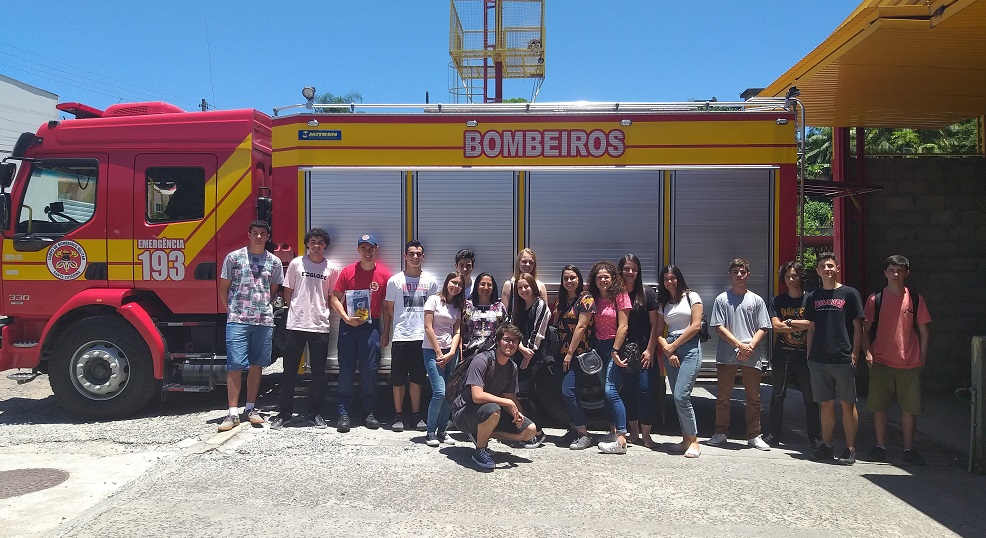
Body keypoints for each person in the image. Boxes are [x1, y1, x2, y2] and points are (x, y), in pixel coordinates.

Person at [862, 255, 931, 465]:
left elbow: (924, 332)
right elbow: (864, 330)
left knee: (910, 408)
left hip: (909, 362)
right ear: (885, 273)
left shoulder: (915, 299)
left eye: (900, 271)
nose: (895, 275)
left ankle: (909, 449)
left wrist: (922, 358)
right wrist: (867, 352)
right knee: (879, 406)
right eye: (891, 270)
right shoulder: (875, 299)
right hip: (881, 361)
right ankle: (880, 446)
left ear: (906, 273)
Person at [217, 219, 284, 432]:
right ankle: (232, 413)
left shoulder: (274, 262)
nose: (258, 236)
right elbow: (223, 288)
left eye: (262, 233)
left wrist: (260, 308)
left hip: (263, 320)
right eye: (254, 232)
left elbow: (272, 291)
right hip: (237, 320)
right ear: (248, 234)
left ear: (267, 237)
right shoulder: (234, 258)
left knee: (257, 365)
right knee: (235, 365)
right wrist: (232, 311)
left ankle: (251, 409)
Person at [271, 227, 340, 430]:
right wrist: (298, 311)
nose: (316, 245)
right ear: (307, 244)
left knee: (318, 373)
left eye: (320, 242)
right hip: (296, 324)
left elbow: (332, 297)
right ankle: (284, 414)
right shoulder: (296, 264)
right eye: (312, 241)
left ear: (325, 245)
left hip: (319, 325)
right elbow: (288, 292)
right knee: (289, 372)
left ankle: (314, 413)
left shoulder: (331, 268)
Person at [451, 323, 538, 470]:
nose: (510, 344)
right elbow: (477, 396)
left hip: (489, 412)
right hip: (464, 412)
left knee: (530, 429)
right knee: (494, 409)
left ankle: (482, 435)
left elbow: (510, 397)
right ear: (498, 341)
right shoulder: (482, 360)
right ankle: (480, 450)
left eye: (514, 341)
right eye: (507, 339)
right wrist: (508, 403)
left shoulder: (512, 367)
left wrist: (518, 415)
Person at [805, 252, 865, 465]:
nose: (827, 269)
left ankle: (850, 449)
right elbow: (811, 328)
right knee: (825, 404)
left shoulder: (850, 294)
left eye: (830, 265)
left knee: (847, 404)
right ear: (818, 271)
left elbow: (859, 327)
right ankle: (827, 446)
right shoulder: (813, 296)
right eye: (823, 266)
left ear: (837, 268)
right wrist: (809, 355)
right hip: (818, 359)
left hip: (842, 358)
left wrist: (855, 354)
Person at [566, 261, 631, 454]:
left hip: (614, 347)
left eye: (606, 277)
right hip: (598, 348)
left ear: (613, 278)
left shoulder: (621, 296)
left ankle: (621, 440)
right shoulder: (594, 298)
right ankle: (613, 432)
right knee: (606, 391)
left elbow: (624, 326)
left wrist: (615, 351)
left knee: (611, 390)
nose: (603, 280)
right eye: (599, 277)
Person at [708, 258, 773, 451]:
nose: (739, 275)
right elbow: (718, 327)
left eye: (742, 271)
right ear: (730, 275)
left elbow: (764, 327)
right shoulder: (722, 299)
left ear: (748, 275)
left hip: (751, 355)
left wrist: (749, 346)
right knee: (723, 397)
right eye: (735, 271)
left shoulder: (756, 300)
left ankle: (754, 435)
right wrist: (739, 345)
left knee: (753, 398)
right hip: (727, 354)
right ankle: (720, 433)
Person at [329, 234, 392, 433]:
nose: (367, 251)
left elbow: (385, 306)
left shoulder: (383, 274)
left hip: (370, 327)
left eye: (370, 248)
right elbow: (335, 298)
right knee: (346, 371)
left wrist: (385, 332)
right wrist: (346, 318)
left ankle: (369, 412)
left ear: (376, 249)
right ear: (358, 250)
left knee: (370, 371)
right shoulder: (348, 272)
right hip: (349, 327)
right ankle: (343, 413)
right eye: (363, 248)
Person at [382, 240, 439, 433]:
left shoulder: (431, 281)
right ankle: (398, 415)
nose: (415, 257)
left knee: (417, 379)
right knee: (397, 379)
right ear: (405, 256)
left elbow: (434, 310)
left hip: (422, 338)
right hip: (401, 336)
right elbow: (389, 310)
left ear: (423, 257)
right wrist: (387, 333)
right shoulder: (395, 281)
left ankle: (416, 415)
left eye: (419, 254)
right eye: (411, 254)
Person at [764, 260, 820, 449]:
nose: (791, 279)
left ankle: (815, 438)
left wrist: (787, 323)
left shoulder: (811, 299)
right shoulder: (778, 300)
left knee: (811, 400)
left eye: (794, 275)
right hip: (783, 357)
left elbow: (814, 324)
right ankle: (773, 435)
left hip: (806, 356)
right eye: (787, 276)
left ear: (801, 277)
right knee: (777, 397)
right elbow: (775, 326)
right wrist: (800, 323)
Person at [656, 264, 704, 458]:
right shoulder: (663, 303)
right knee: (677, 395)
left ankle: (694, 442)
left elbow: (695, 326)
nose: (670, 282)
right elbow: (658, 333)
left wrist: (673, 346)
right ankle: (685, 440)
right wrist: (668, 350)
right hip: (670, 350)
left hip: (690, 347)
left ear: (679, 278)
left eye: (673, 278)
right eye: (666, 279)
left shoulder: (693, 297)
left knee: (681, 396)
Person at [617, 254, 660, 448]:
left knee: (646, 391)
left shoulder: (647, 293)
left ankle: (647, 435)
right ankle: (633, 432)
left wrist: (650, 349)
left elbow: (655, 325)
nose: (630, 272)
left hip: (644, 351)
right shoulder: (616, 292)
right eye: (627, 268)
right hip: (625, 351)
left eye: (634, 269)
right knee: (628, 391)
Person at [422, 272, 466, 446]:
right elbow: (428, 327)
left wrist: (451, 352)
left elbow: (457, 331)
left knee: (449, 393)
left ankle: (442, 431)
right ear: (447, 282)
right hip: (432, 352)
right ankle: (430, 433)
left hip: (450, 353)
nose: (456, 286)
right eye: (453, 282)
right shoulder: (433, 300)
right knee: (439, 392)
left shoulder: (457, 306)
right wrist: (440, 353)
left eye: (459, 285)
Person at [509, 272, 551, 448]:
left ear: (533, 287)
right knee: (520, 393)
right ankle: (529, 430)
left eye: (526, 286)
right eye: (519, 288)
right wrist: (519, 349)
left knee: (527, 393)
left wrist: (528, 354)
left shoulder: (540, 304)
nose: (523, 290)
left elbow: (538, 332)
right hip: (521, 354)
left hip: (534, 356)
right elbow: (512, 329)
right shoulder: (519, 307)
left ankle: (538, 433)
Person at [556, 264, 595, 449]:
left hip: (577, 354)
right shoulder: (563, 301)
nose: (569, 281)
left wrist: (570, 353)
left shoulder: (586, 299)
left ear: (579, 279)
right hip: (563, 354)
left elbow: (581, 326)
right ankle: (573, 429)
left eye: (572, 277)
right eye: (566, 278)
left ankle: (584, 433)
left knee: (568, 391)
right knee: (565, 393)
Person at [461, 272, 508, 360]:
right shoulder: (468, 306)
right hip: (470, 353)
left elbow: (504, 332)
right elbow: (461, 331)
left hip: (493, 354)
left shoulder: (499, 307)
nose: (486, 287)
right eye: (482, 284)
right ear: (477, 286)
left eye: (489, 285)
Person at [501, 248, 548, 313]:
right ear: (518, 263)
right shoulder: (509, 285)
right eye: (524, 261)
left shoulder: (540, 286)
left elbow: (544, 313)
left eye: (531, 262)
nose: (528, 265)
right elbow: (504, 313)